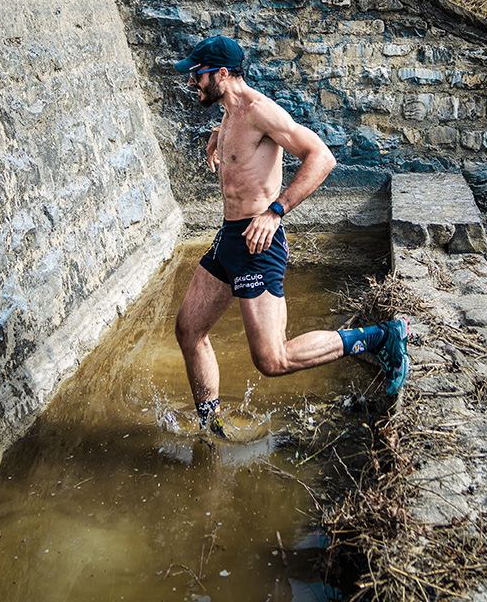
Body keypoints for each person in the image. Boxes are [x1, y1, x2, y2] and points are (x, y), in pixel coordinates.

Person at [173, 35, 409, 437]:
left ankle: (382, 337)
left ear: (223, 74)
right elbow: (241, 143)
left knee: (273, 359)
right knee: (189, 330)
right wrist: (217, 137)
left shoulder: (260, 111)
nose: (192, 80)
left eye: (198, 74)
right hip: (230, 238)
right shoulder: (230, 112)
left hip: (257, 243)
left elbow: (321, 156)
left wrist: (275, 211)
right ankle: (210, 426)